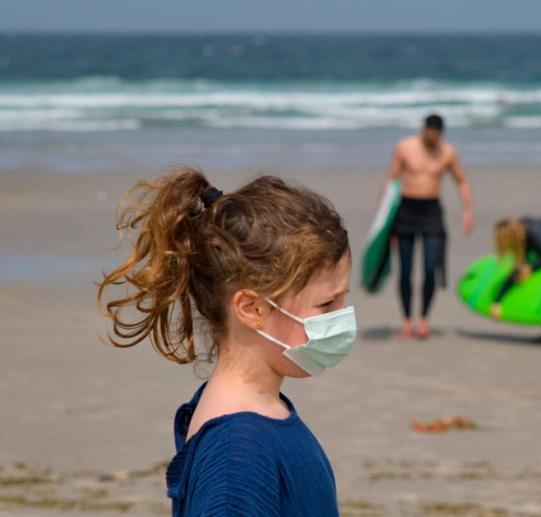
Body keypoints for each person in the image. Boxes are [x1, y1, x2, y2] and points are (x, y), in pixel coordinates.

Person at [97, 168, 355, 516]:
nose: (341, 317)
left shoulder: (264, 413)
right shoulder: (238, 456)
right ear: (252, 308)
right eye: (326, 304)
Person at [381, 114, 474, 340]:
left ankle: (423, 320)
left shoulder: (448, 152)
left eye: (437, 135)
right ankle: (406, 322)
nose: (433, 138)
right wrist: (382, 219)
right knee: (405, 271)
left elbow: (461, 180)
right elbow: (391, 179)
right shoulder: (405, 147)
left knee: (432, 268)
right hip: (406, 211)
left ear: (441, 133)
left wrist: (468, 210)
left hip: (431, 212)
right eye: (429, 134)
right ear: (423, 130)